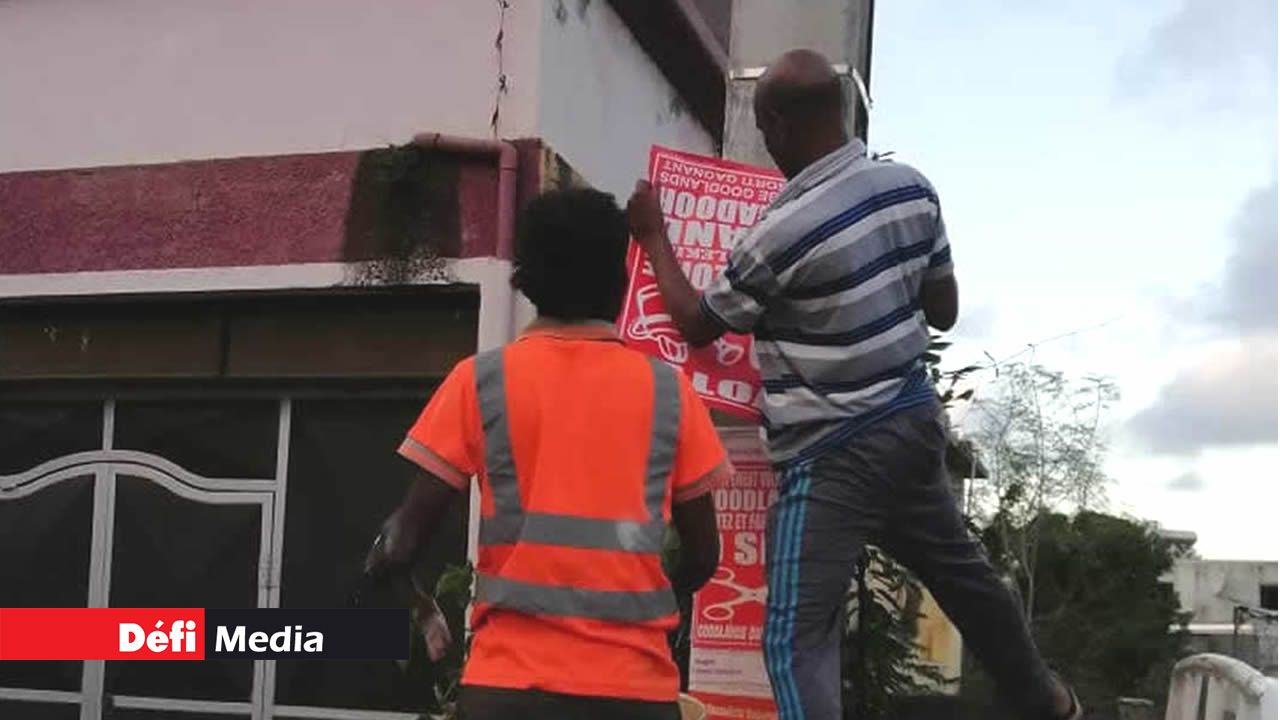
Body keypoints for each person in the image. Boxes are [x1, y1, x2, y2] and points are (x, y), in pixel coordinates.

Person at [626, 49, 1082, 720]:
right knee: (962, 574)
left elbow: (699, 324)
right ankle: (1046, 699)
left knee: (794, 636)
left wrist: (655, 235)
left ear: (777, 122)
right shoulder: (911, 189)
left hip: (831, 453)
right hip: (909, 425)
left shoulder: (776, 234)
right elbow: (944, 309)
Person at [363, 187, 728, 720]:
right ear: (621, 280)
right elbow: (703, 557)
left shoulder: (479, 383)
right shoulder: (672, 395)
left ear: (527, 279)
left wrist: (422, 610)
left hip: (506, 691)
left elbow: (399, 544)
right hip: (634, 694)